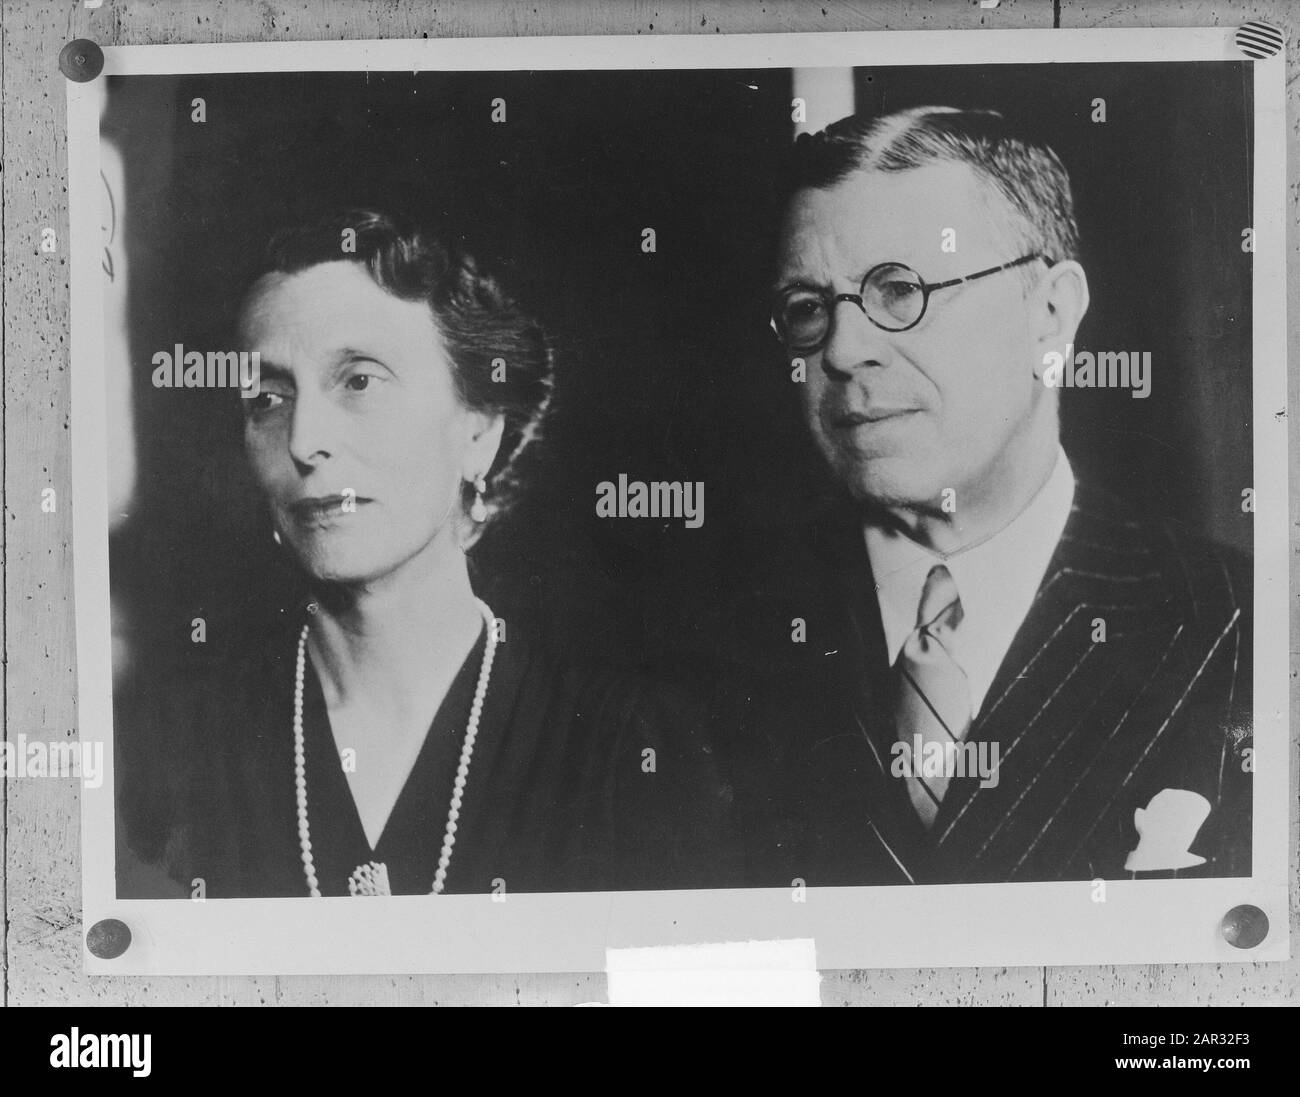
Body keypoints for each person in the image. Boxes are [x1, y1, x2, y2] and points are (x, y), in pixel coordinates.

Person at [116, 209, 740, 898]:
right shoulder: (174, 751)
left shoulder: (627, 748)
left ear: (479, 433)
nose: (303, 440)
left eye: (358, 380)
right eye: (267, 397)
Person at [725, 106, 1251, 886]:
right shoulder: (699, 635)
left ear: (1050, 315)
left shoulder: (1242, 619)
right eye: (808, 307)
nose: (842, 349)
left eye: (900, 290)